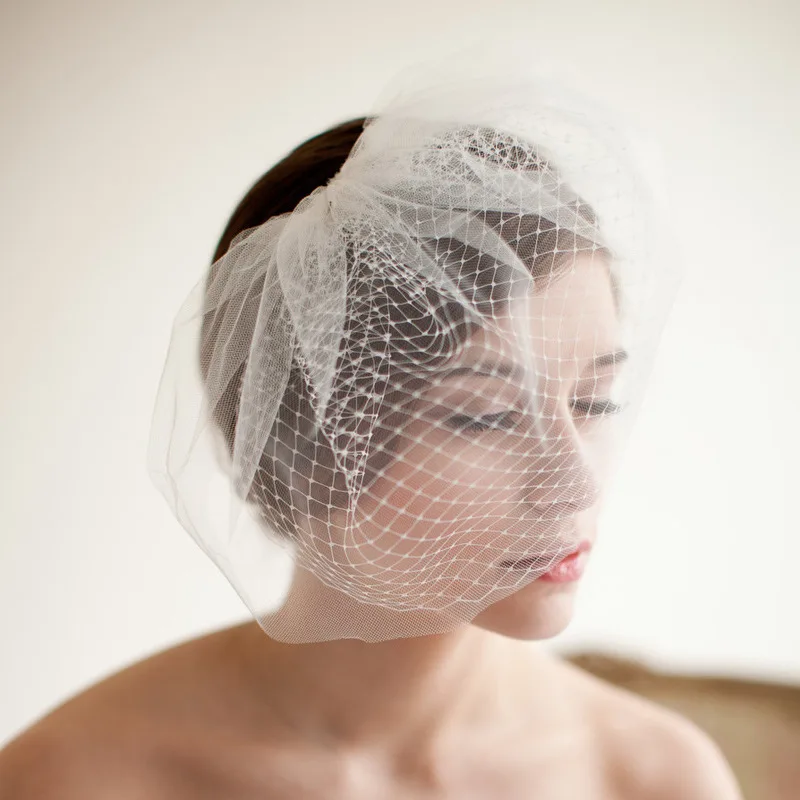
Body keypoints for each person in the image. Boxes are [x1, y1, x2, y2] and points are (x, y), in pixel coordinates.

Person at [0, 77, 742, 799]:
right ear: (304, 432)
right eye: (483, 414)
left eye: (594, 399)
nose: (577, 484)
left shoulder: (654, 779)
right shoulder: (74, 780)